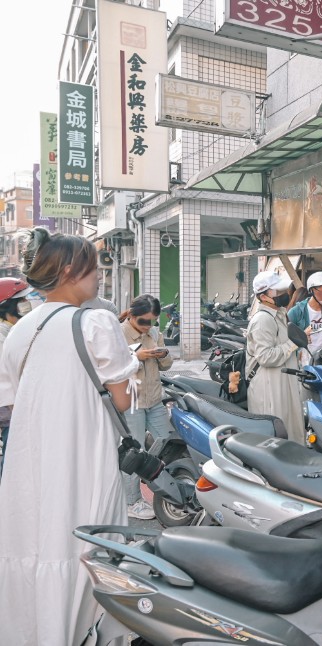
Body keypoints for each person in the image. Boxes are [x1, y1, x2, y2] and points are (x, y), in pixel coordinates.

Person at [0, 228, 139, 645]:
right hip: (82, 456)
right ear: (68, 271)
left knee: (34, 543)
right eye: (93, 269)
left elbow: (11, 401)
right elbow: (123, 399)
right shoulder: (95, 320)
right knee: (87, 540)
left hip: (29, 462)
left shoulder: (20, 329)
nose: (98, 276)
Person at [120, 294, 176, 520]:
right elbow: (110, 365)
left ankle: (170, 489)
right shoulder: (118, 333)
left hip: (154, 397)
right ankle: (131, 501)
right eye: (143, 321)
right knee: (135, 450)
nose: (147, 326)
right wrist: (136, 356)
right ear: (132, 316)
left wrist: (163, 354)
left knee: (169, 441)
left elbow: (166, 365)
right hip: (132, 397)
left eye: (151, 321)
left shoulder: (153, 333)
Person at [246, 270, 304, 442]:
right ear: (263, 297)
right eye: (277, 291)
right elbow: (265, 357)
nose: (283, 294)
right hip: (268, 386)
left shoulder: (279, 314)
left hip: (280, 382)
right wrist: (294, 343)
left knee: (286, 432)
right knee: (274, 438)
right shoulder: (262, 320)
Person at [0, 278, 37, 479]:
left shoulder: (11, 330)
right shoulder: (3, 335)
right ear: (8, 305)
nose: (26, 304)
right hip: (8, 406)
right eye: (21, 300)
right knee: (12, 454)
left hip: (12, 405)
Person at [288, 271, 322, 362]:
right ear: (311, 291)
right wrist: (301, 337)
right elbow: (284, 341)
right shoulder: (296, 312)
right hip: (302, 365)